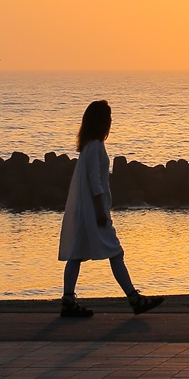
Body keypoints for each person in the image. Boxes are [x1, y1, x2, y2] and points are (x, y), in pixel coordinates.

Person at [59, 99, 163, 318]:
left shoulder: (89, 146)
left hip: (84, 210)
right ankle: (134, 298)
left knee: (76, 254)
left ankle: (68, 300)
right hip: (93, 210)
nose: (111, 122)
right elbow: (95, 180)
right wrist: (100, 210)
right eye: (109, 118)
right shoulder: (95, 146)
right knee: (116, 252)